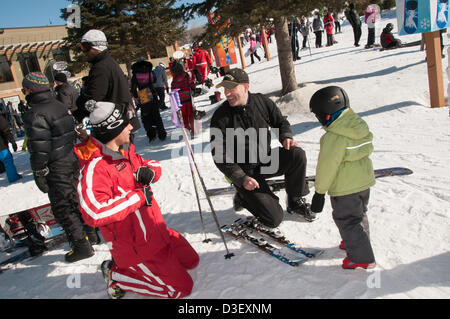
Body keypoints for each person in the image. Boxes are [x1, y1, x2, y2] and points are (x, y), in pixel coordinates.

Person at [74, 101, 199, 299]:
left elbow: (151, 164)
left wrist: (150, 171)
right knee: (180, 289)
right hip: (135, 248)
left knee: (192, 261)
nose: (131, 126)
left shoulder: (125, 152)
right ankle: (117, 275)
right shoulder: (95, 168)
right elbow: (93, 212)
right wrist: (138, 197)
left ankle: (153, 267)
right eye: (126, 124)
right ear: (113, 130)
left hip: (156, 232)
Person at [210, 68, 315, 228]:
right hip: (245, 172)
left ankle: (294, 200)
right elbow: (219, 155)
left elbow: (280, 122)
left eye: (231, 89)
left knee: (296, 154)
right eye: (225, 89)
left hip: (266, 161)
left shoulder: (261, 102)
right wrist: (241, 178)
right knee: (274, 219)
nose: (227, 93)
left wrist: (286, 137)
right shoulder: (220, 117)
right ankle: (244, 197)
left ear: (245, 87)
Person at [22, 72, 98, 263]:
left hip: (56, 165)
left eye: (24, 89)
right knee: (77, 198)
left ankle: (82, 246)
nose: (24, 92)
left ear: (31, 90)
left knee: (64, 207)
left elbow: (39, 147)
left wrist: (38, 171)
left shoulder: (35, 113)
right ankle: (91, 234)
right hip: (70, 158)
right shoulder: (58, 105)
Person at [309, 86, 376, 269]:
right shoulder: (359, 126)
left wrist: (319, 192)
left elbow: (327, 167)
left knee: (348, 220)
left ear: (327, 113)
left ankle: (362, 258)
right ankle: (355, 242)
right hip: (363, 184)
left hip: (345, 189)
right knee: (359, 215)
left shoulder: (334, 137)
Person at [76, 29, 140, 134]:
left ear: (98, 46)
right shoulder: (108, 62)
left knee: (116, 151)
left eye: (86, 47)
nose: (84, 52)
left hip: (115, 126)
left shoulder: (100, 67)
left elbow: (93, 100)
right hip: (121, 120)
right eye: (82, 47)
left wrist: (79, 103)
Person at [130, 59, 167, 142]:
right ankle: (162, 134)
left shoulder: (136, 74)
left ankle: (151, 135)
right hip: (152, 92)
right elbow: (154, 80)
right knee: (156, 115)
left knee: (146, 117)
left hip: (143, 94)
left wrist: (136, 97)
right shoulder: (150, 71)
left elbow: (133, 88)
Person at [170, 61, 196, 138]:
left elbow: (173, 89)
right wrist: (193, 87)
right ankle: (193, 130)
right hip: (188, 97)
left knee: (184, 116)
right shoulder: (185, 75)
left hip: (180, 100)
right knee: (190, 114)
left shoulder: (174, 79)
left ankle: (187, 129)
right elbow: (191, 83)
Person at [0, 112, 21, 183]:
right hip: (1, 146)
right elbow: (6, 130)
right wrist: (12, 141)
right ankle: (13, 177)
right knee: (7, 160)